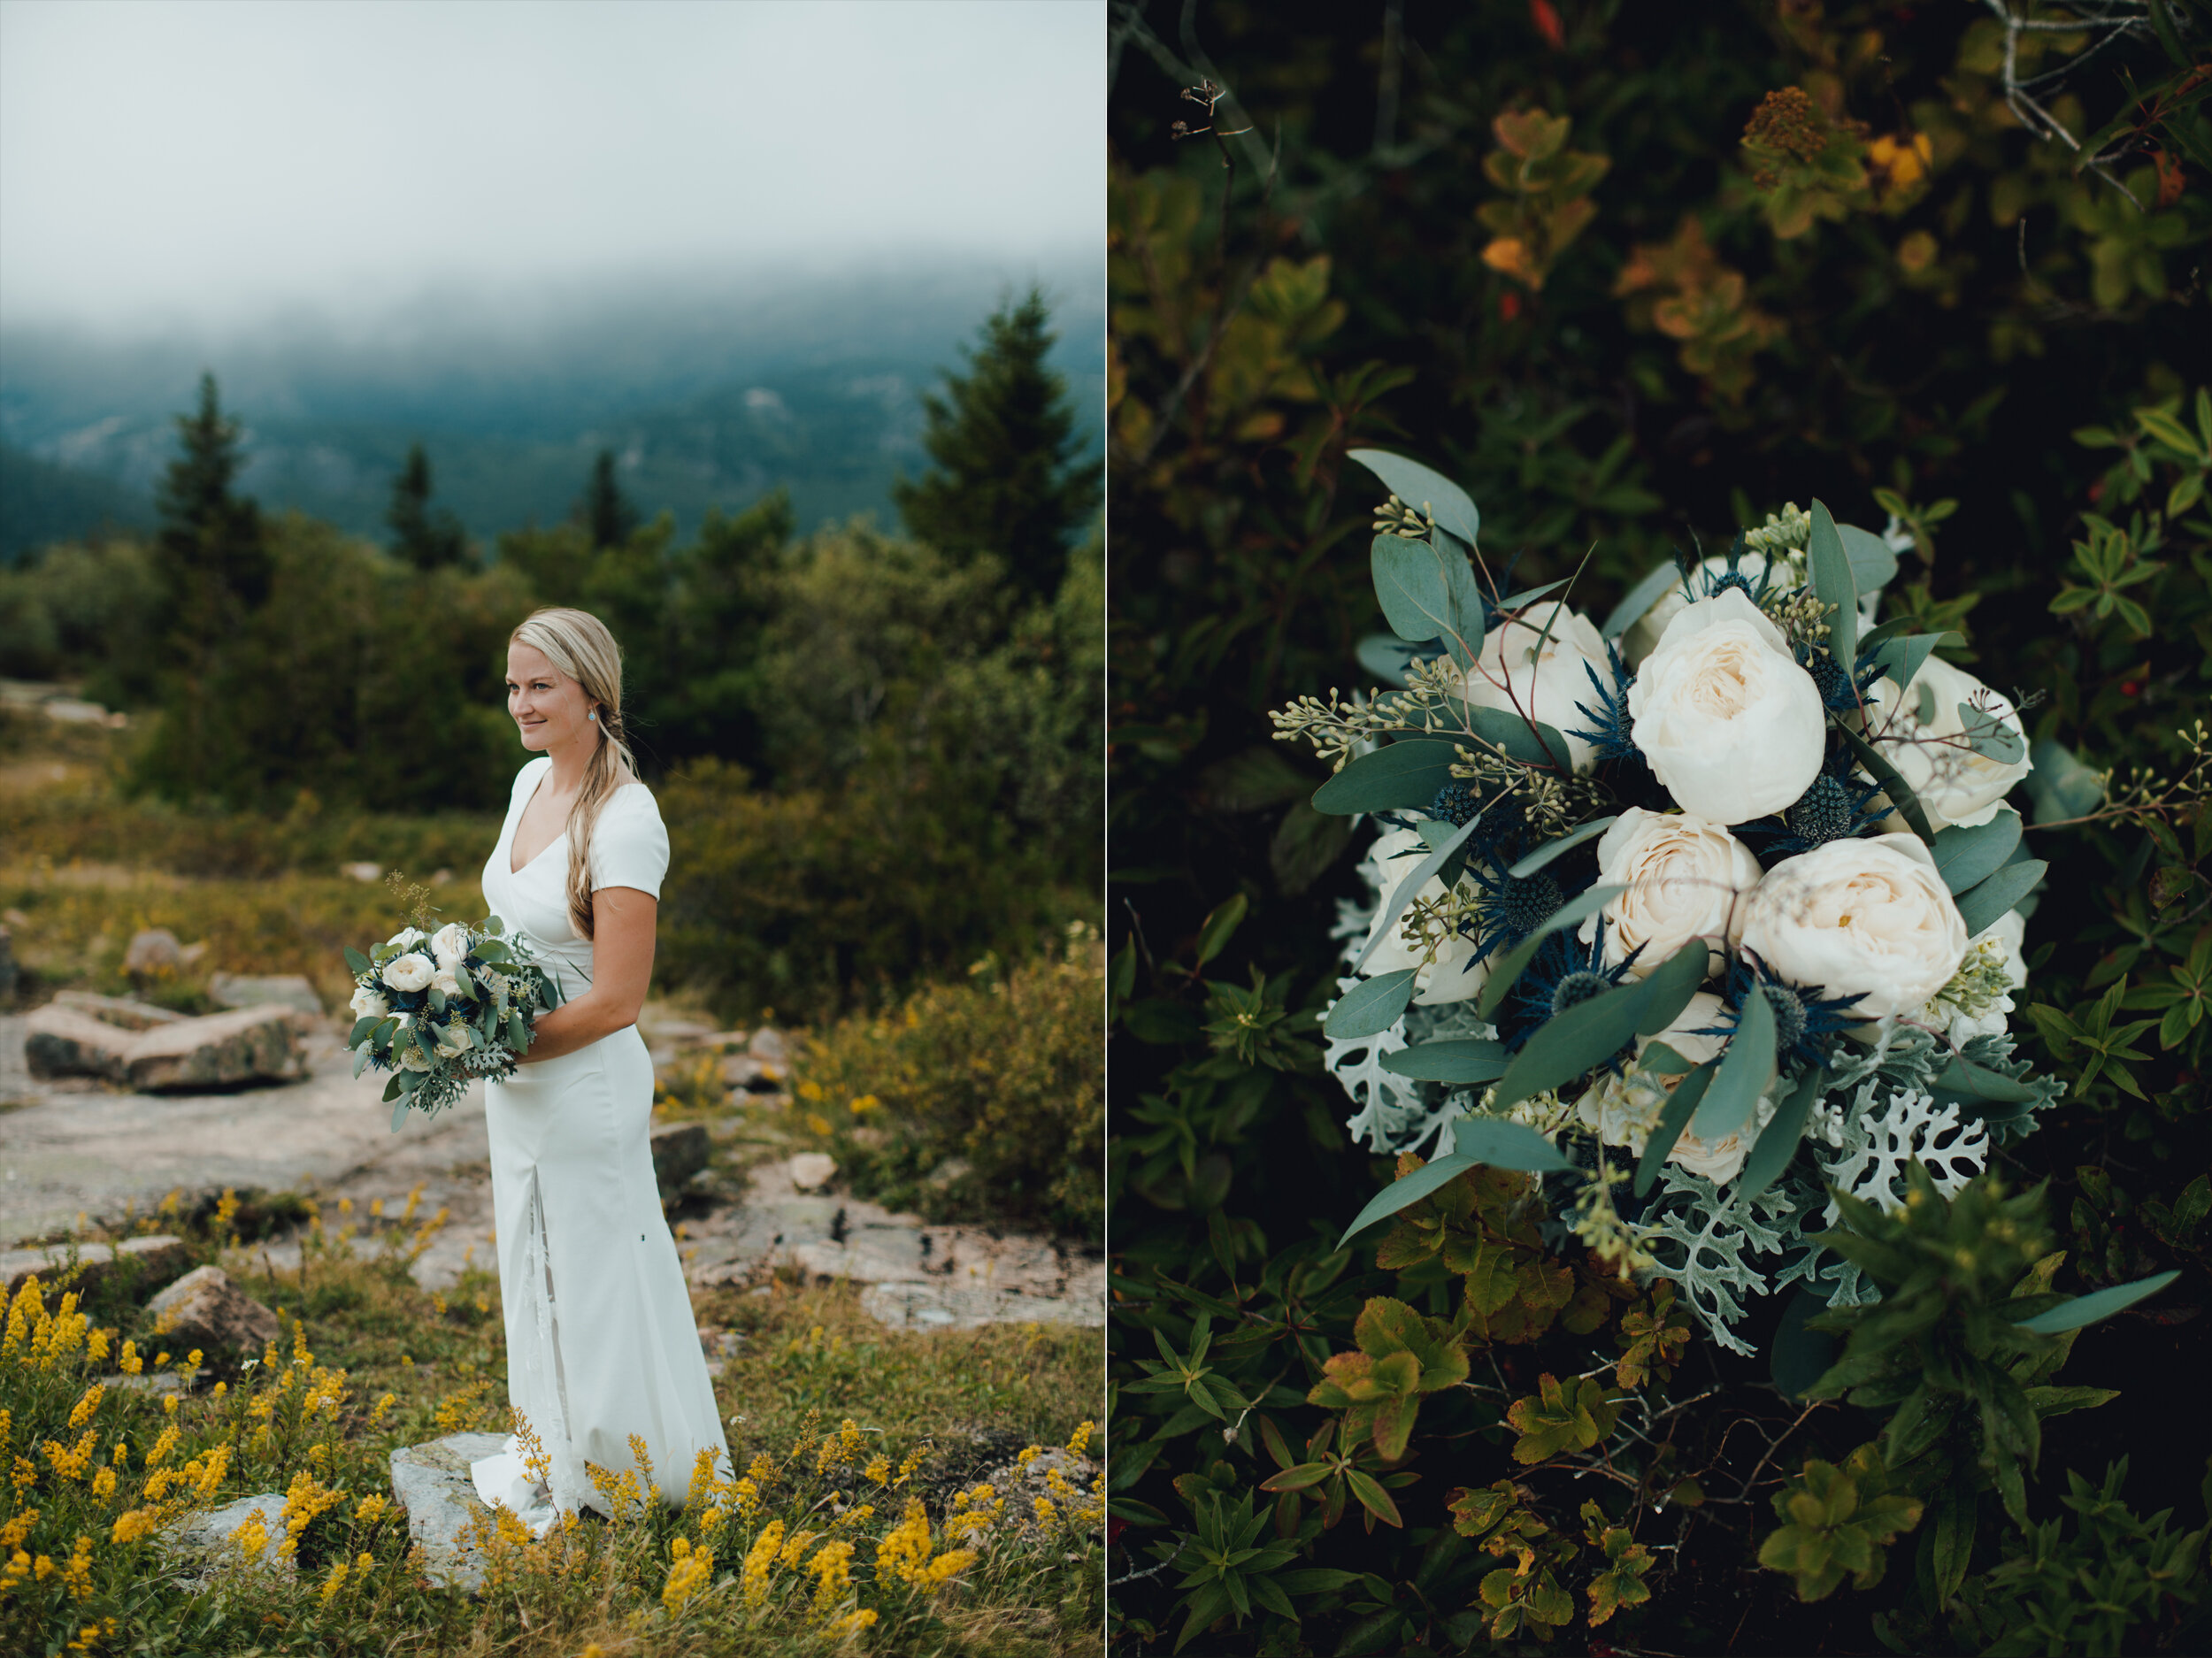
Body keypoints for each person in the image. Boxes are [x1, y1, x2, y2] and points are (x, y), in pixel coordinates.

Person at [465, 605, 727, 1530]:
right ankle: (551, 1440)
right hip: (520, 1080)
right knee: (531, 1259)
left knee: (597, 1267)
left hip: (584, 1081)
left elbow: (619, 998)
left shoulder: (626, 817)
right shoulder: (526, 783)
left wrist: (496, 1042)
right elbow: (507, 930)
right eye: (513, 684)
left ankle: (623, 1469)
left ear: (592, 693)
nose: (521, 702)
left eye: (540, 685)